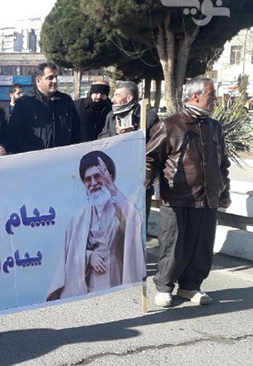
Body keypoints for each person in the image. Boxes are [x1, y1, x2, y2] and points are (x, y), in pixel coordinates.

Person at [146, 76, 230, 307]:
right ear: (195, 96)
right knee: (173, 245)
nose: (215, 100)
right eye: (211, 95)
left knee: (201, 247)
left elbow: (223, 163)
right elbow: (150, 158)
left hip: (208, 197)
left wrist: (224, 192)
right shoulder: (169, 125)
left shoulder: (214, 127)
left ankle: (190, 286)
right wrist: (145, 183)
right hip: (177, 197)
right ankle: (164, 287)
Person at [48, 151, 145, 301]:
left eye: (97, 176)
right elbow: (70, 255)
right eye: (88, 179)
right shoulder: (78, 219)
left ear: (109, 177)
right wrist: (89, 256)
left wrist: (112, 188)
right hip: (90, 288)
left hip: (118, 281)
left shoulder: (121, 208)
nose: (93, 183)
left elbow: (133, 221)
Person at [98, 81, 160, 221]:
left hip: (140, 178)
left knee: (138, 221)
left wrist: (134, 136)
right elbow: (101, 140)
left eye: (117, 95)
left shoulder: (148, 117)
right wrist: (117, 136)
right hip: (116, 178)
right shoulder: (111, 116)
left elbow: (156, 148)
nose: (113, 99)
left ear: (129, 97)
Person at [7, 61, 81, 153]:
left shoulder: (66, 101)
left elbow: (76, 131)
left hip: (62, 157)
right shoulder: (24, 103)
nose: (54, 81)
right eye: (50, 78)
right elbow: (14, 135)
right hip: (34, 158)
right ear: (38, 80)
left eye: (56, 77)